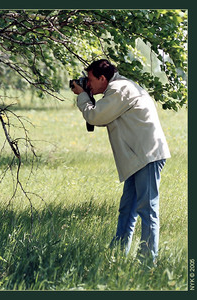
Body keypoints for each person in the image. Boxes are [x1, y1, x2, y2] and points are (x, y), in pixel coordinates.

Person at [71, 59, 171, 263]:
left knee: (147, 209)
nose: (88, 84)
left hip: (147, 156)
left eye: (90, 80)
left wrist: (82, 96)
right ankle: (117, 255)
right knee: (128, 209)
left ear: (102, 78)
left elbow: (96, 117)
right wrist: (86, 95)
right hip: (138, 157)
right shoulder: (117, 89)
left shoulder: (119, 89)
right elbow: (101, 117)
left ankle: (147, 263)